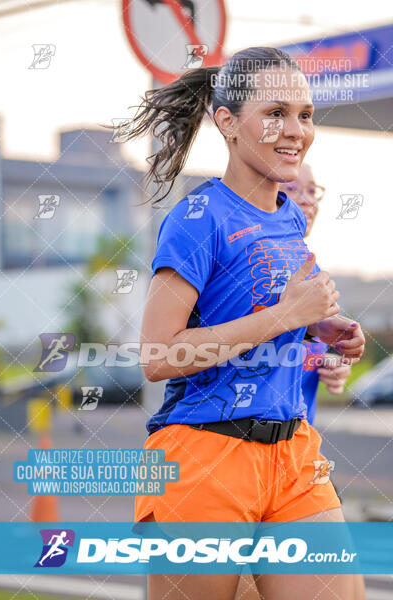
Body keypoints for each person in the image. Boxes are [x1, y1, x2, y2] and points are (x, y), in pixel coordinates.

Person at [125, 47, 365, 599]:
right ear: (227, 123)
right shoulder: (195, 218)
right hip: (204, 456)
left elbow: (295, 314)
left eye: (305, 115)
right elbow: (159, 356)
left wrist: (321, 331)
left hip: (295, 453)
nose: (296, 130)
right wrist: (286, 316)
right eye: (275, 112)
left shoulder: (286, 216)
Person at [280, 164, 352, 425]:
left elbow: (305, 347)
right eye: (291, 189)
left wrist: (332, 364)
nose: (307, 200)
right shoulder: (250, 265)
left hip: (299, 447)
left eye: (312, 190)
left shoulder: (314, 271)